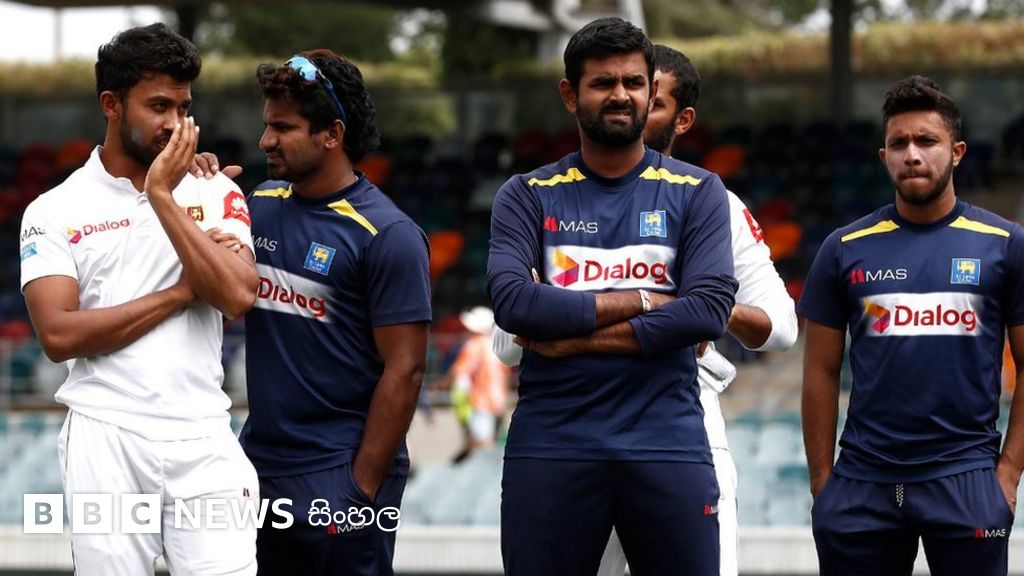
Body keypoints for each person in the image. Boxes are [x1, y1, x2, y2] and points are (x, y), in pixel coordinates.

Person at [492, 43, 798, 576]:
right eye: (604, 84)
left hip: (678, 427)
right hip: (562, 437)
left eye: (644, 92)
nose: (625, 99)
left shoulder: (711, 199)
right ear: (572, 95)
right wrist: (657, 306)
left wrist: (704, 306)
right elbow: (510, 333)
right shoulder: (534, 193)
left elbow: (777, 326)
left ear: (679, 117)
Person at [18, 23, 260, 576]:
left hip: (204, 436)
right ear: (111, 104)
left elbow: (237, 295)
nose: (174, 123)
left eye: (183, 107)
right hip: (105, 437)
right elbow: (59, 335)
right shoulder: (53, 210)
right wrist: (180, 293)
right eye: (158, 106)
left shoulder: (215, 187)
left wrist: (162, 196)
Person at [800, 75, 1024, 576]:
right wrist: (823, 485)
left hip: (966, 478)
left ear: (957, 151)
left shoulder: (1005, 244)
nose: (912, 155)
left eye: (927, 141)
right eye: (899, 144)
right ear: (884, 157)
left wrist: (1007, 476)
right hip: (863, 481)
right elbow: (819, 372)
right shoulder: (843, 249)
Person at [239, 49, 431, 576]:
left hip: (338, 471)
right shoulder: (259, 204)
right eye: (267, 125)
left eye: (283, 127)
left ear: (332, 134)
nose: (266, 140)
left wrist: (360, 488)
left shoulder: (388, 234)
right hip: (258, 467)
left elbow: (407, 368)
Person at [444, 306, 510, 461]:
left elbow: (459, 372)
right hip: (499, 403)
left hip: (480, 403)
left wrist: (440, 386)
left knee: (483, 446)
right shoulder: (498, 346)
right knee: (492, 443)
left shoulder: (473, 345)